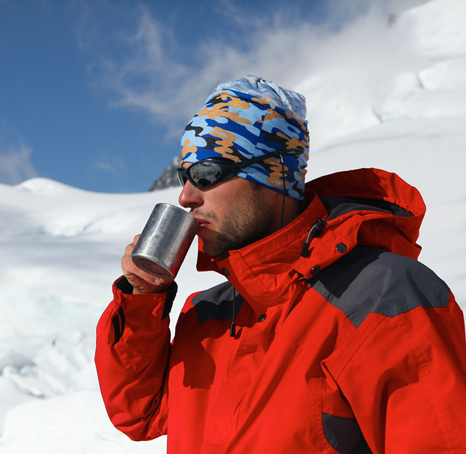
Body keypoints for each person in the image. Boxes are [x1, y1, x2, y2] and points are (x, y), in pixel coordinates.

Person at [94, 75, 466, 453]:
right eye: (184, 175)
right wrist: (141, 299)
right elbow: (139, 413)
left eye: (206, 174)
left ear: (276, 174)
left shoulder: (385, 297)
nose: (187, 196)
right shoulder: (207, 315)